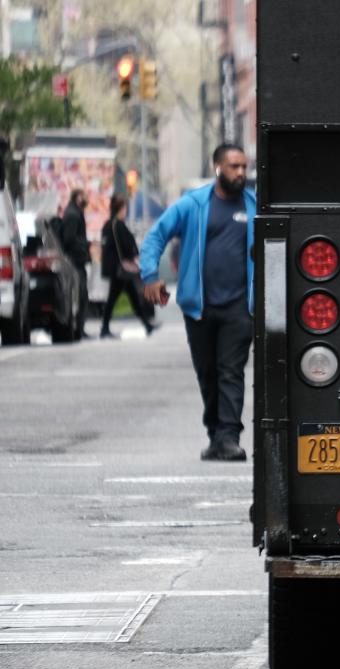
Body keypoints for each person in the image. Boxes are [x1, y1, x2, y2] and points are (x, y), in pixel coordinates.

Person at [141, 143, 256, 462]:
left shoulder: (253, 207)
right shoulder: (194, 205)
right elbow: (155, 236)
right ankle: (215, 435)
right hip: (200, 307)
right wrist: (150, 275)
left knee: (231, 370)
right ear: (218, 168)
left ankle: (229, 436)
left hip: (239, 308)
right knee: (207, 373)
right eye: (234, 166)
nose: (241, 172)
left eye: (244, 167)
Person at [100, 195, 158, 338]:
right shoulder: (117, 224)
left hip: (116, 268)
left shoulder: (108, 224)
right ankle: (104, 328)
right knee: (113, 298)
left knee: (131, 297)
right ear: (121, 209)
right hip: (120, 268)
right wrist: (134, 255)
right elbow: (126, 244)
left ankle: (146, 324)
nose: (126, 210)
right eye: (125, 207)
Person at [60, 188, 91, 339]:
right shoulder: (73, 214)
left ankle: (80, 328)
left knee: (82, 295)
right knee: (81, 295)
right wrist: (85, 244)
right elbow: (69, 238)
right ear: (78, 197)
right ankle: (78, 329)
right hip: (75, 261)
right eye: (84, 195)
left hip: (77, 260)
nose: (86, 198)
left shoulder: (75, 212)